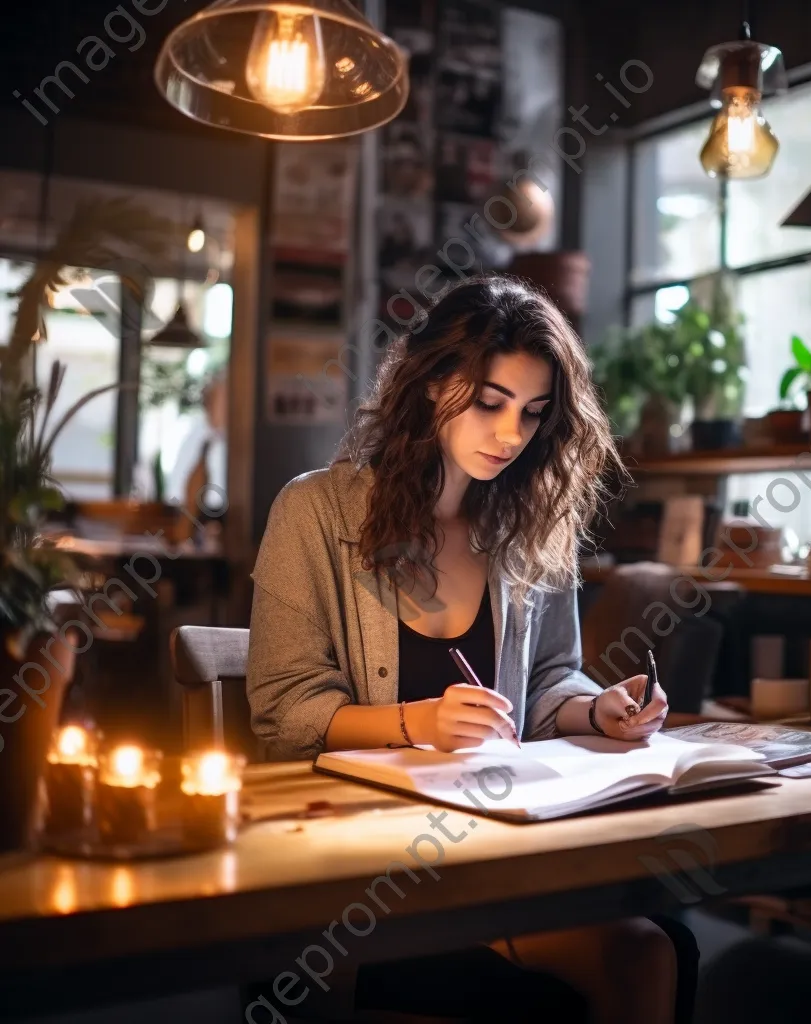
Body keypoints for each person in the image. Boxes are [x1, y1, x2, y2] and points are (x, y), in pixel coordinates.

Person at [247, 275, 697, 1023]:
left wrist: (597, 710)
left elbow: (550, 680)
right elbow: (283, 710)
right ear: (430, 385)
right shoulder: (313, 512)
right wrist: (416, 723)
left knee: (654, 948)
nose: (511, 435)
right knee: (646, 956)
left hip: (499, 859)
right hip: (365, 874)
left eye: (533, 412)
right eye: (490, 403)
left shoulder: (527, 527)